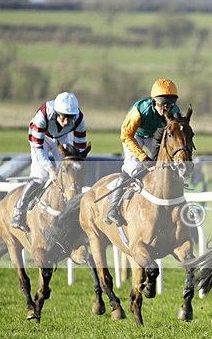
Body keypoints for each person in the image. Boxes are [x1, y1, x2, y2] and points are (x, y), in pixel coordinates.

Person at [105, 79, 182, 225]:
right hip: (134, 135)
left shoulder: (175, 112)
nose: (165, 109)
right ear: (154, 101)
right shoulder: (140, 109)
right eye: (161, 104)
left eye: (169, 105)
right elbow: (125, 135)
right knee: (135, 167)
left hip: (154, 135)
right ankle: (112, 208)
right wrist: (143, 157)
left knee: (165, 163)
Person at [11, 92, 88, 232]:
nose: (66, 122)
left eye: (70, 118)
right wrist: (50, 169)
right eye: (64, 118)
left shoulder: (79, 119)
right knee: (41, 175)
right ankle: (19, 211)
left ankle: (69, 210)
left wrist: (77, 164)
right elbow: (38, 148)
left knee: (69, 172)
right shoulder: (41, 117)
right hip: (41, 139)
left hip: (62, 137)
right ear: (57, 113)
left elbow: (80, 145)